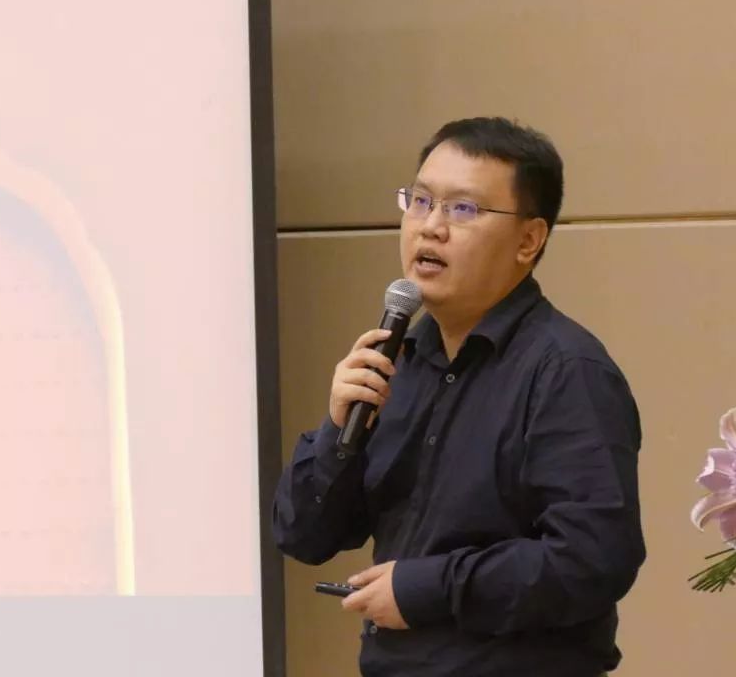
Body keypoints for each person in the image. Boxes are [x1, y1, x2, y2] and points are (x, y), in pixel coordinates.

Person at [272, 117, 645, 676]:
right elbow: (302, 534)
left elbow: (592, 559)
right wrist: (338, 432)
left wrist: (425, 587)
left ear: (529, 240)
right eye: (420, 201)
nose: (431, 227)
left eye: (463, 209)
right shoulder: (397, 361)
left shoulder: (567, 372)